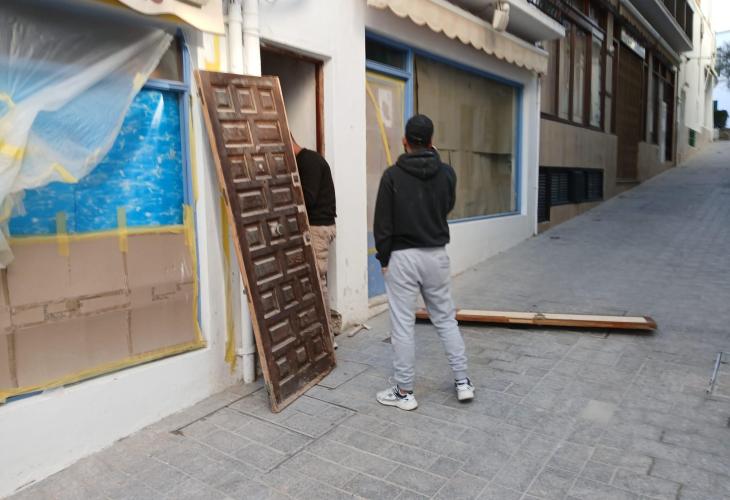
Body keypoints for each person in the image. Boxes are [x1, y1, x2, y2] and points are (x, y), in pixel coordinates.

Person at [373, 114, 474, 411]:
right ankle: (463, 382)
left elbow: (382, 223)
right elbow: (447, 206)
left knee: (403, 325)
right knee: (445, 319)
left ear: (404, 141)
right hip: (436, 255)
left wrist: (384, 258)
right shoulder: (447, 173)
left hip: (402, 257)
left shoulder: (392, 175)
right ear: (431, 142)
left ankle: (405, 392)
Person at [291, 135, 338, 349]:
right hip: (317, 227)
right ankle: (318, 335)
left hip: (318, 228)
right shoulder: (307, 161)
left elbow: (307, 199)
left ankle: (327, 338)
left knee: (317, 283)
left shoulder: (309, 162)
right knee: (313, 282)